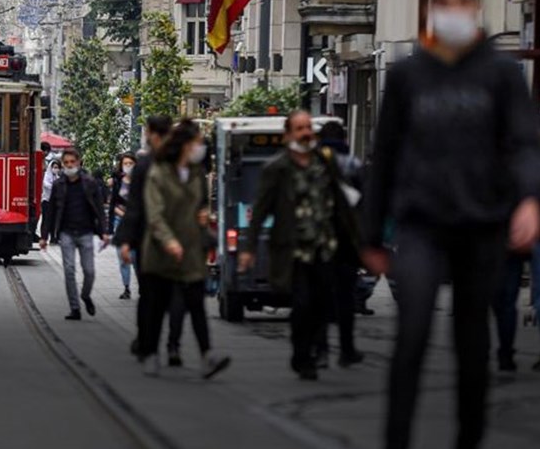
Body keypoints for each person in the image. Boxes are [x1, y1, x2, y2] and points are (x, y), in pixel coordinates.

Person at [362, 0, 540, 449]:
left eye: (464, 1)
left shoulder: (502, 75)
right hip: (421, 225)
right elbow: (385, 155)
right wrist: (371, 234)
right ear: (430, 9)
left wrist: (530, 199)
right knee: (411, 335)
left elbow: (524, 144)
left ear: (477, 8)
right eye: (446, 2)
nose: (455, 10)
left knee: (471, 345)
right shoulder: (409, 75)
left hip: (481, 228)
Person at [241, 111, 360, 381]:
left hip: (324, 247)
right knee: (303, 303)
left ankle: (316, 350)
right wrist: (248, 249)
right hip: (293, 250)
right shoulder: (276, 168)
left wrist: (359, 242)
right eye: (299, 129)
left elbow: (342, 202)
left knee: (321, 304)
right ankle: (302, 355)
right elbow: (260, 210)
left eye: (308, 128)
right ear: (288, 135)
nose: (306, 133)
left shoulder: (324, 162)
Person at [135, 120, 230, 379]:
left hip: (190, 249)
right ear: (185, 144)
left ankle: (207, 355)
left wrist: (202, 216)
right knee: (158, 304)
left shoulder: (197, 173)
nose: (201, 147)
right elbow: (154, 215)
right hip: (161, 251)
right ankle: (151, 353)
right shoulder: (159, 172)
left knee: (196, 304)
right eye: (197, 142)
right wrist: (169, 241)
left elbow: (200, 203)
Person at [115, 115, 173, 357]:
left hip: (170, 240)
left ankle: (167, 345)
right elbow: (135, 206)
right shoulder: (145, 166)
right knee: (150, 292)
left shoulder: (176, 164)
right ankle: (148, 341)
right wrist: (126, 240)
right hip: (149, 240)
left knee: (164, 296)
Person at [315, 121, 367, 370]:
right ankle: (347, 349)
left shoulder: (314, 163)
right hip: (346, 240)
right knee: (346, 297)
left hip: (319, 238)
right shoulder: (353, 164)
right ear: (344, 138)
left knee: (320, 297)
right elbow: (364, 204)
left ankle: (321, 350)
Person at [40, 148, 108, 321]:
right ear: (63, 165)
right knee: (69, 270)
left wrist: (104, 232)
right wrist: (44, 237)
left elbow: (99, 209)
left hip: (86, 232)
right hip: (66, 233)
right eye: (66, 163)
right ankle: (75, 308)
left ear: (78, 163)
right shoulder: (58, 185)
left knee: (89, 271)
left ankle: (85, 295)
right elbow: (52, 212)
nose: (69, 165)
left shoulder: (89, 183)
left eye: (72, 162)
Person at [109, 152, 137, 298]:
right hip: (119, 222)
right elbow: (113, 202)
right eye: (125, 164)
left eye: (130, 163)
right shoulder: (118, 181)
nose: (128, 166)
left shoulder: (141, 182)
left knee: (136, 257)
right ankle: (126, 288)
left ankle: (143, 286)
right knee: (122, 257)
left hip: (137, 224)